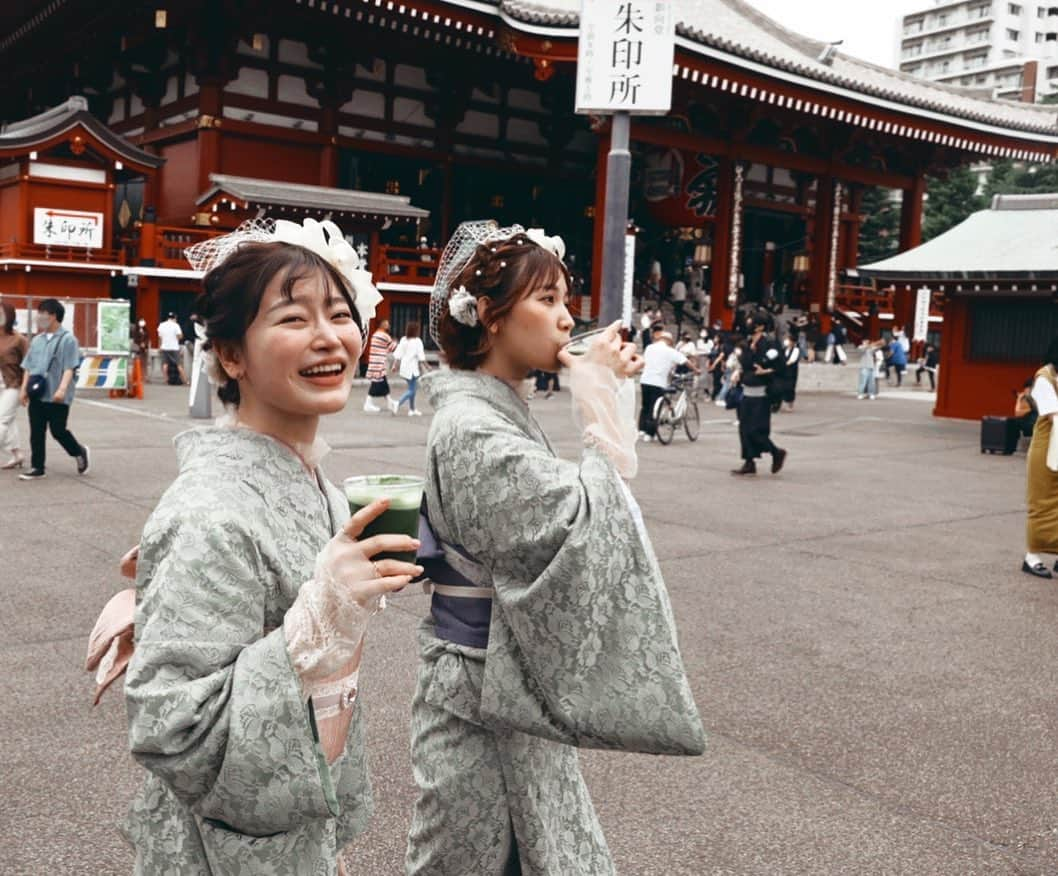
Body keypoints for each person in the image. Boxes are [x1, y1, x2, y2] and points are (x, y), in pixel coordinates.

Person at [406, 222, 704, 874]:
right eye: (546, 300)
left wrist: (604, 400)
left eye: (566, 301)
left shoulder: (491, 412)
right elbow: (579, 525)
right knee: (478, 852)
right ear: (488, 314)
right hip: (479, 689)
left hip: (497, 682)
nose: (567, 319)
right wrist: (598, 407)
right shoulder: (472, 427)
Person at [123, 218, 420, 872]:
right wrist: (324, 612)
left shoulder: (317, 482)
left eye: (341, 314)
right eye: (292, 319)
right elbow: (169, 728)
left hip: (295, 816)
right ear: (231, 354)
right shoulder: (211, 510)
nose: (328, 337)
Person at [18, 298, 88, 480]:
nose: (39, 318)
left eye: (43, 314)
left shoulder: (68, 340)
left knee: (58, 430)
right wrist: (23, 389)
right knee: (36, 431)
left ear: (54, 316)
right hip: (38, 393)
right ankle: (37, 467)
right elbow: (28, 367)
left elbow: (69, 368)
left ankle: (79, 451)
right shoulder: (37, 340)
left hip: (57, 395)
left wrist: (62, 390)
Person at [732, 312, 787, 476]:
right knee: (744, 429)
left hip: (762, 394)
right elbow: (746, 363)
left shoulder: (770, 343)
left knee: (756, 430)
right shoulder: (747, 343)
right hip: (746, 391)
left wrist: (767, 370)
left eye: (751, 322)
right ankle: (749, 462)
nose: (748, 325)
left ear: (761, 326)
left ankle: (776, 452)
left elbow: (781, 366)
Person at [1022, 338, 1058, 579]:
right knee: (1042, 501)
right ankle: (1031, 556)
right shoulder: (1043, 378)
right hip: (1047, 446)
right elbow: (1054, 415)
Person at [639, 329, 698, 442]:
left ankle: (641, 429)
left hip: (645, 380)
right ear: (669, 341)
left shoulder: (649, 348)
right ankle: (650, 433)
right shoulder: (670, 351)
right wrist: (696, 370)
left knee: (645, 406)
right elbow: (685, 361)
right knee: (654, 407)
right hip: (658, 382)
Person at [0, 304, 28, 470]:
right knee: (8, 420)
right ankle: (17, 454)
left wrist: (25, 390)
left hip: (18, 384)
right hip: (7, 383)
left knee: (1, 418)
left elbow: (29, 366)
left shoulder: (19, 339)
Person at [393, 320, 429, 416]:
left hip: (404, 367)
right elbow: (421, 357)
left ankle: (412, 409)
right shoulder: (418, 341)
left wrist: (394, 365)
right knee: (412, 390)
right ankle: (398, 403)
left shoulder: (404, 339)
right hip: (412, 368)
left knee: (411, 388)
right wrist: (427, 366)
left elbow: (398, 354)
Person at [364, 318, 399, 413]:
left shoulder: (375, 335)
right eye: (387, 324)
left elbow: (384, 349)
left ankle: (390, 403)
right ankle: (368, 404)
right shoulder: (384, 336)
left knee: (383, 385)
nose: (389, 325)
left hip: (374, 363)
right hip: (378, 364)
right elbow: (393, 348)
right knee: (376, 384)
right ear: (382, 325)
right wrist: (396, 341)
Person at [157, 312, 186, 385]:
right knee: (179, 364)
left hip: (164, 347)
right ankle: (185, 380)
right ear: (174, 318)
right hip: (174, 347)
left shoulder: (162, 325)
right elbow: (180, 336)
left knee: (165, 364)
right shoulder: (176, 325)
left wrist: (160, 346)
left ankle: (166, 380)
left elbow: (160, 337)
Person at [776, 333, 800, 412]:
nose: (787, 341)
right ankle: (779, 404)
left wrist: (783, 365)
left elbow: (792, 360)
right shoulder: (784, 349)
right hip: (783, 371)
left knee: (790, 388)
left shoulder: (796, 350)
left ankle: (790, 405)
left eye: (788, 340)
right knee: (781, 387)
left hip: (791, 372)